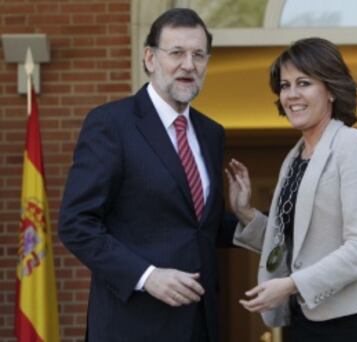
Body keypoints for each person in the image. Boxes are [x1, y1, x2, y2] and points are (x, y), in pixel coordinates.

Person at [59, 8, 235, 342]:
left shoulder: (211, 133)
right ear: (150, 58)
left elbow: (198, 228)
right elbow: (76, 223)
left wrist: (248, 220)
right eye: (177, 53)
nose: (189, 64)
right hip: (132, 324)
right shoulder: (111, 124)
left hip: (200, 324)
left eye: (198, 55)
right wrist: (147, 276)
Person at [226, 37, 357, 342]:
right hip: (305, 319)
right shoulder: (295, 158)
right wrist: (246, 212)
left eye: (303, 83)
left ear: (332, 89)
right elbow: (296, 244)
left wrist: (291, 284)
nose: (291, 95)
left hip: (356, 324)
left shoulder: (354, 146)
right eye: (284, 85)